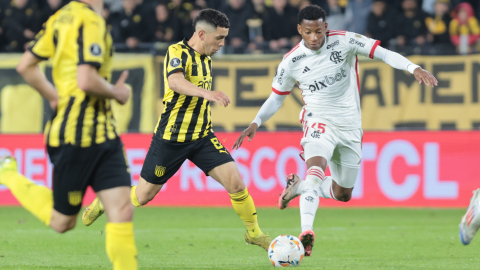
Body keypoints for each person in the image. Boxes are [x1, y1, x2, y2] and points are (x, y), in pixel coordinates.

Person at [233, 4, 437, 257]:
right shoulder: (291, 62)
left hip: (350, 127)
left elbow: (383, 53)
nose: (315, 37)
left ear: (325, 27)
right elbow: (276, 97)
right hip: (318, 121)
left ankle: (296, 188)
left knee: (343, 194)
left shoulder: (345, 41)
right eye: (308, 32)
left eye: (319, 31)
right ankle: (306, 232)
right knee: (315, 172)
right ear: (300, 30)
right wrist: (256, 121)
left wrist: (412, 67)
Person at [82, 8, 273, 251]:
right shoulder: (176, 51)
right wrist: (207, 93)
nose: (222, 44)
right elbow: (175, 81)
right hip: (171, 138)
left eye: (225, 38)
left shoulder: (206, 56)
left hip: (202, 136)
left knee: (236, 183)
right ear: (202, 34)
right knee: (143, 197)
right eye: (219, 38)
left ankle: (254, 233)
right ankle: (104, 202)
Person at [0, 0, 138, 269]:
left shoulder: (60, 18)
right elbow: (86, 80)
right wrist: (117, 93)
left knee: (122, 209)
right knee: (62, 222)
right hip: (77, 134)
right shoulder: (91, 21)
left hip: (104, 132)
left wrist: (54, 98)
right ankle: (8, 174)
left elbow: (26, 65)